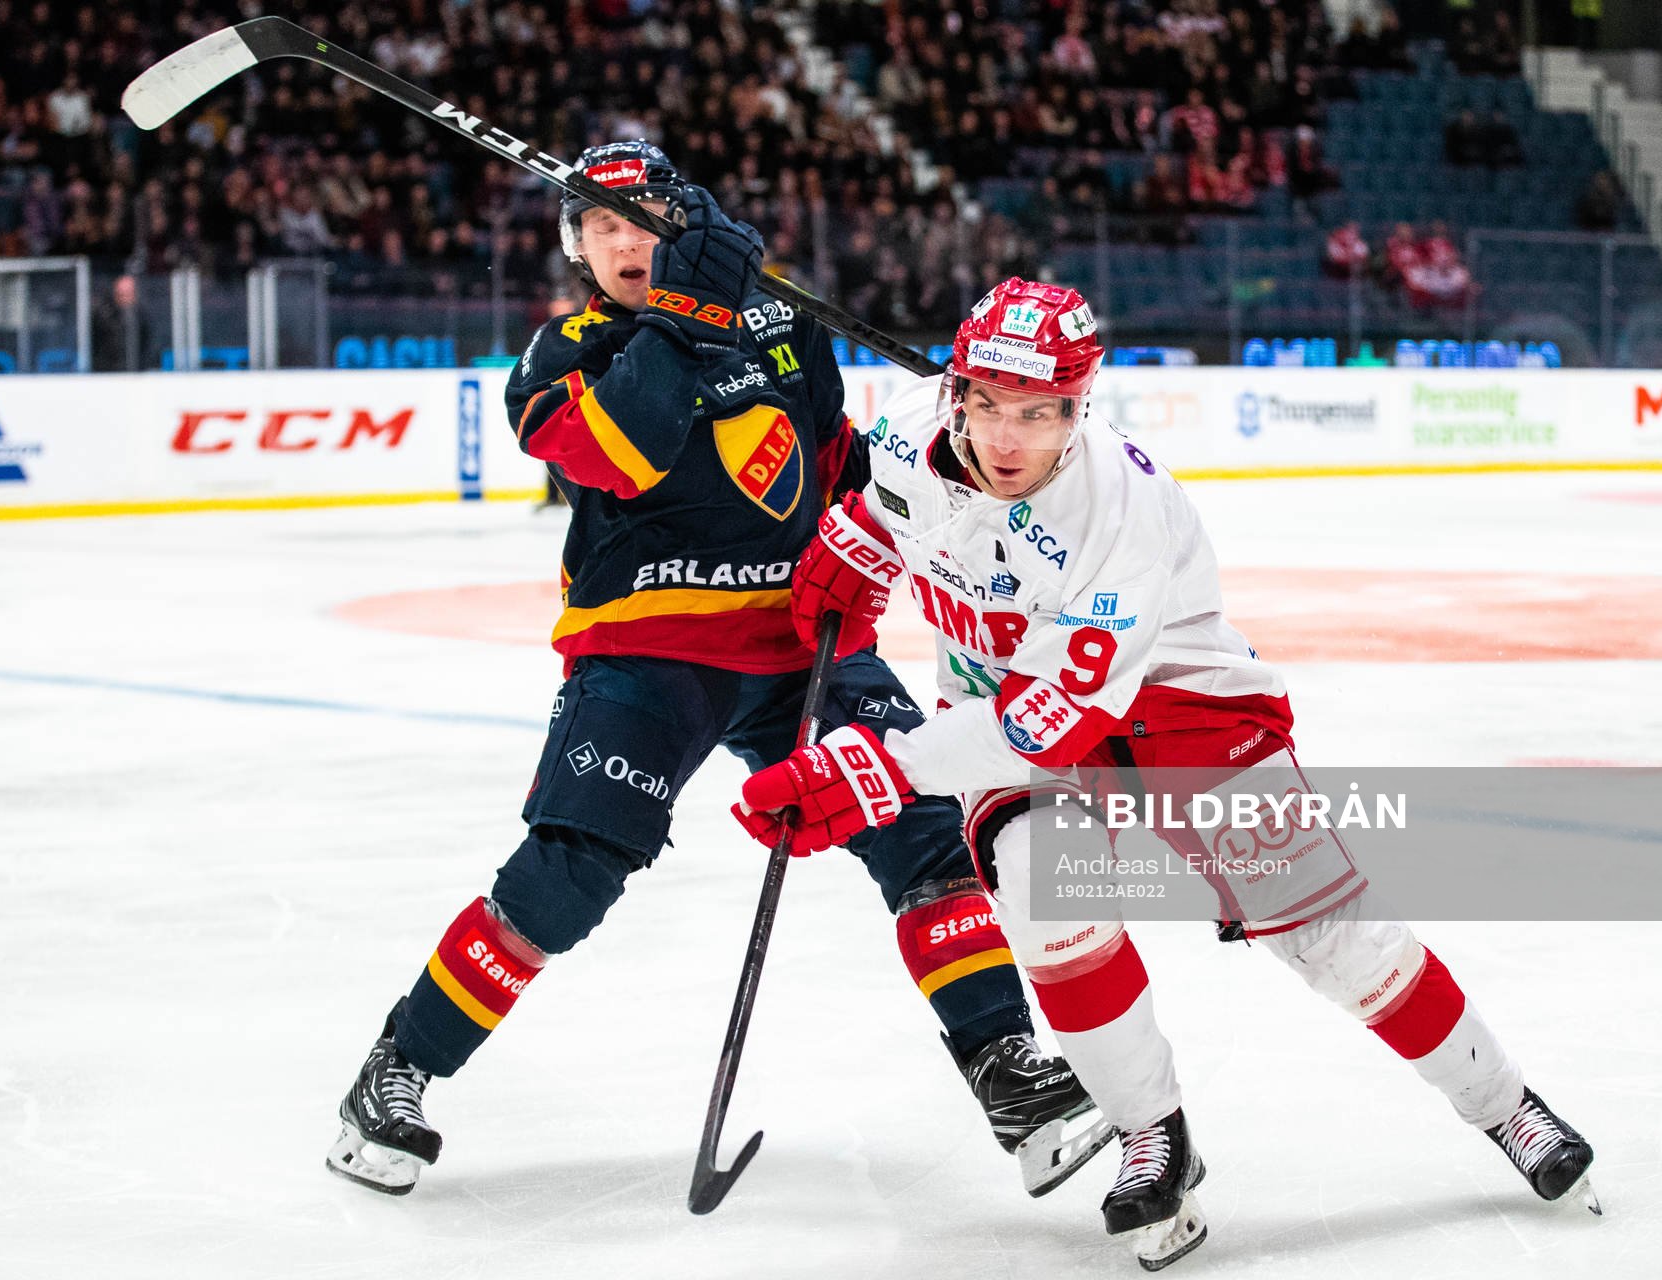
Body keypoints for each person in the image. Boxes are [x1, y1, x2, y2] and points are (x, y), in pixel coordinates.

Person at [733, 278, 1600, 1269]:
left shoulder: (1121, 509)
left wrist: (883, 769)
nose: (1012, 439)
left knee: (1327, 932)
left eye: (1043, 413)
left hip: (1179, 702)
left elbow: (1049, 720)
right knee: (1042, 888)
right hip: (1013, 703)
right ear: (956, 391)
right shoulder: (902, 433)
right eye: (990, 406)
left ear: (1080, 405)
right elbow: (894, 509)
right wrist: (859, 543)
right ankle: (1154, 1133)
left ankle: (1506, 1104)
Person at [324, 147, 1108, 1198]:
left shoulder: (782, 320)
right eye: (602, 226)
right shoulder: (564, 353)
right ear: (580, 250)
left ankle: (1014, 1078)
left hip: (801, 645)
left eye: (645, 218)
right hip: (649, 650)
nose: (625, 241)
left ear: (691, 222)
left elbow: (833, 464)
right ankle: (398, 1068)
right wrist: (690, 314)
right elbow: (623, 449)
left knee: (925, 834)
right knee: (570, 871)